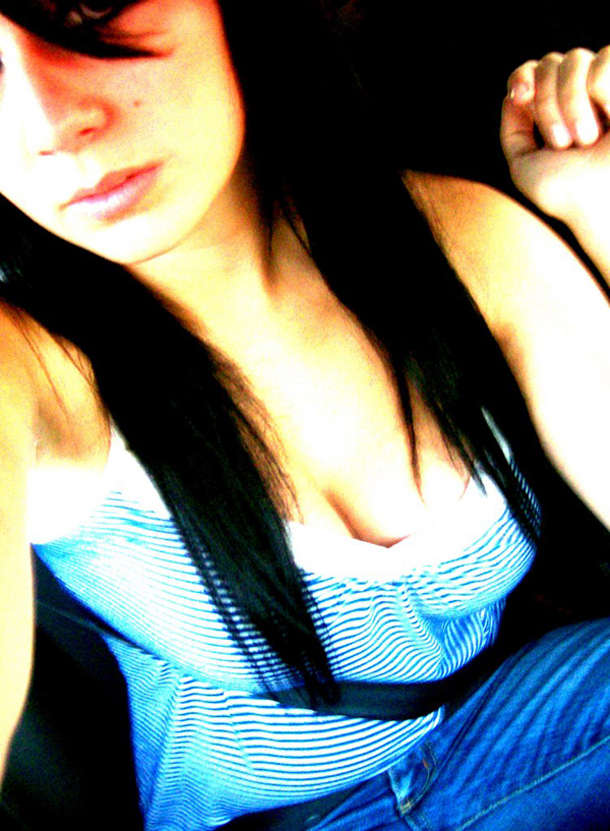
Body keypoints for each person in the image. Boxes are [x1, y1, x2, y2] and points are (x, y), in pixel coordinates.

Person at [0, 2, 607, 829]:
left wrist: (597, 205)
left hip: (511, 730)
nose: (50, 127)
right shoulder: (28, 370)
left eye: (88, 4)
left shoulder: (457, 244)